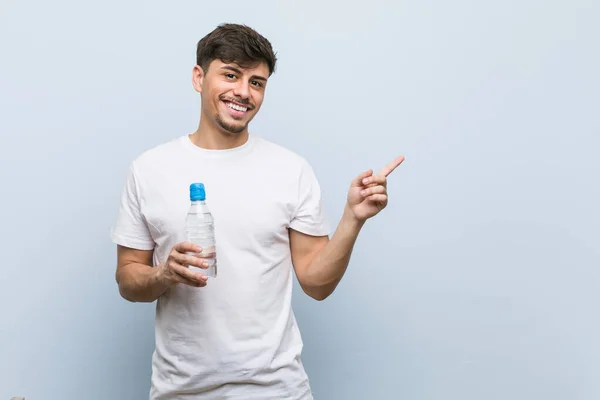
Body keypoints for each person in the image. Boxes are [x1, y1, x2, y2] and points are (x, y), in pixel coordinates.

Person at [110, 23, 404, 400]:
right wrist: (165, 273)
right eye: (231, 75)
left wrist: (353, 218)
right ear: (199, 77)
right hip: (181, 391)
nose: (243, 92)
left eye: (257, 82)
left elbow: (316, 284)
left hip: (277, 390)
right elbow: (127, 279)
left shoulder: (290, 169)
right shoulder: (149, 169)